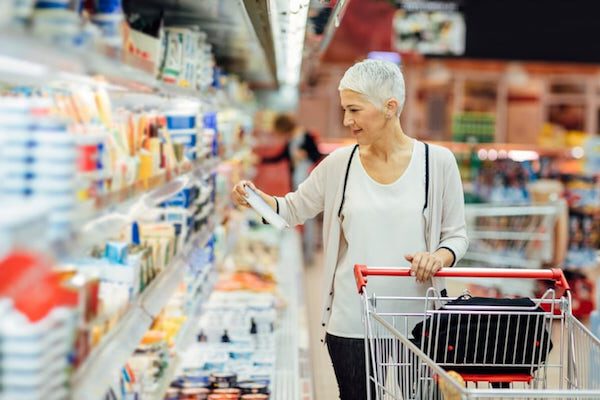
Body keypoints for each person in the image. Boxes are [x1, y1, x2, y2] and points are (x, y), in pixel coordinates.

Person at [232, 59, 468, 399]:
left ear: (390, 107)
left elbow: (456, 235)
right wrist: (255, 198)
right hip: (352, 319)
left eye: (354, 110)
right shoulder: (339, 164)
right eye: (345, 109)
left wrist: (439, 257)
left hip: (420, 321)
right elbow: (292, 210)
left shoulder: (438, 162)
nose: (347, 120)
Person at [260, 114, 323, 264]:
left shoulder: (306, 136)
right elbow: (281, 156)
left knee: (309, 218)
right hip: (297, 182)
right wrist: (262, 160)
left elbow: (317, 156)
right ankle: (305, 250)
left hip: (308, 182)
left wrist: (305, 154)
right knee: (300, 215)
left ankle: (310, 253)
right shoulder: (290, 140)